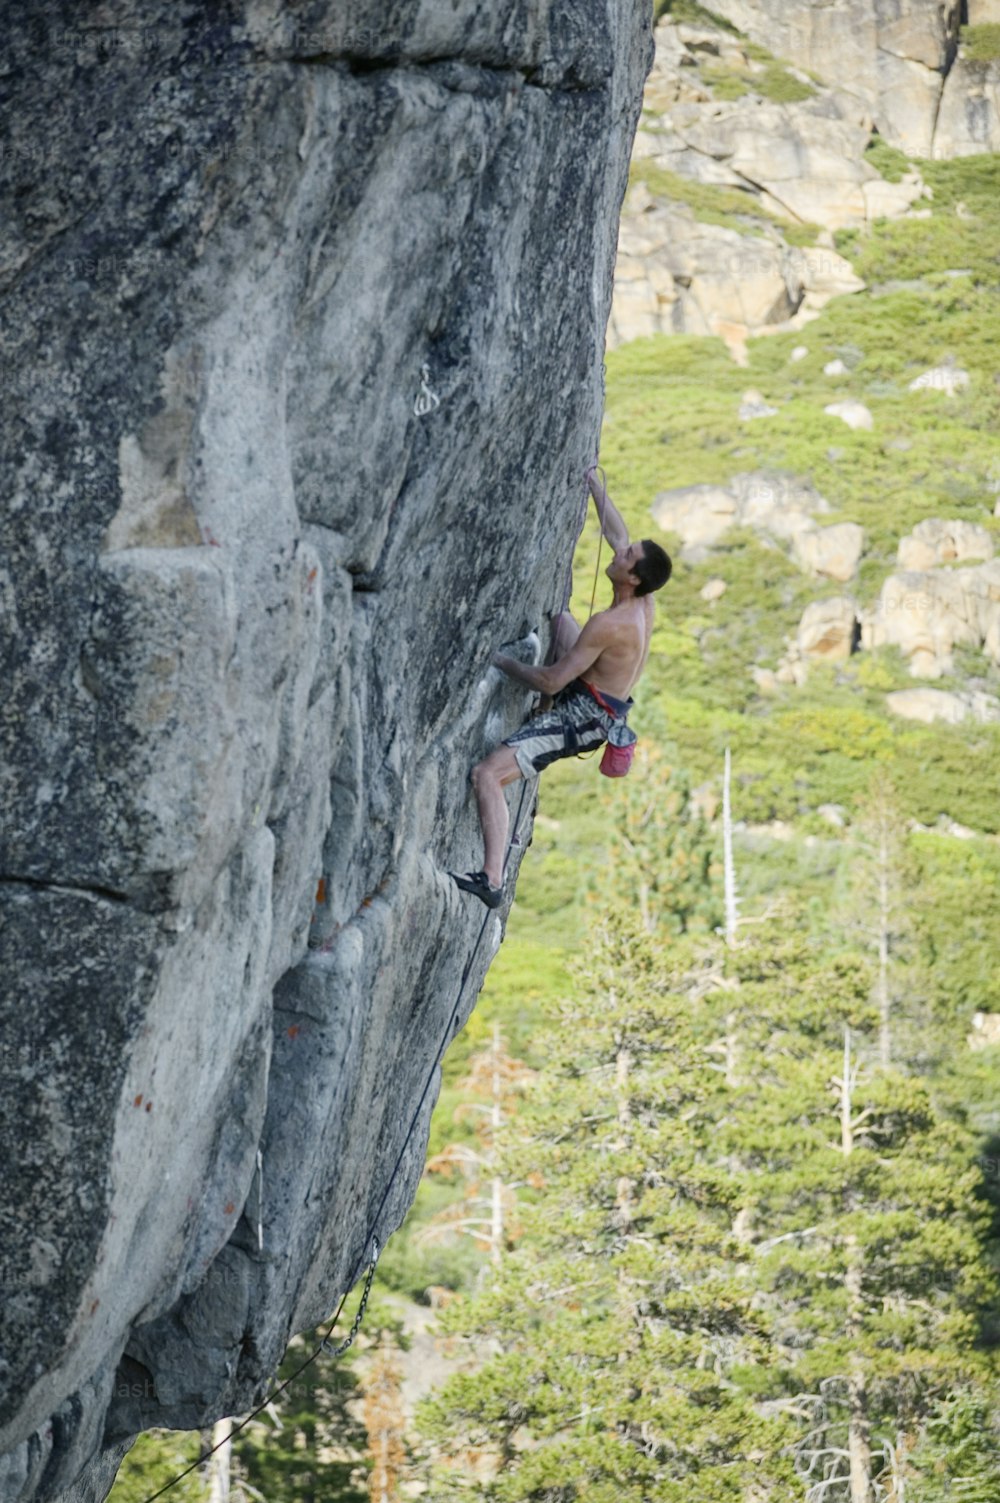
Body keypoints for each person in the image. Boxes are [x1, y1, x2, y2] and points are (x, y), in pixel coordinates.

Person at [451, 466, 672, 908]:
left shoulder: (611, 624)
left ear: (632, 578)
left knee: (487, 774)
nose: (619, 551)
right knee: (561, 619)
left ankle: (491, 879)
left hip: (582, 719)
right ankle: (545, 709)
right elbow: (617, 533)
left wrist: (497, 661)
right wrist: (594, 487)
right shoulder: (642, 599)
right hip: (598, 698)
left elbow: (552, 678)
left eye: (627, 556)